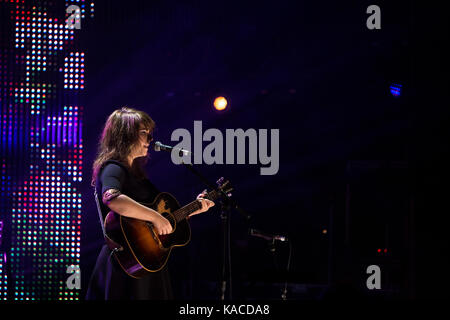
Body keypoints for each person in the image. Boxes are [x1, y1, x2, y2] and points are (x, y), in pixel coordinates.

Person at [85, 107, 214, 300]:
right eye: (143, 133)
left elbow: (165, 218)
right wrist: (155, 217)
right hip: (125, 262)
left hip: (146, 259)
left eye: (149, 133)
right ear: (125, 135)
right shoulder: (113, 167)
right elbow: (112, 198)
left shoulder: (137, 176)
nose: (149, 139)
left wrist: (196, 208)